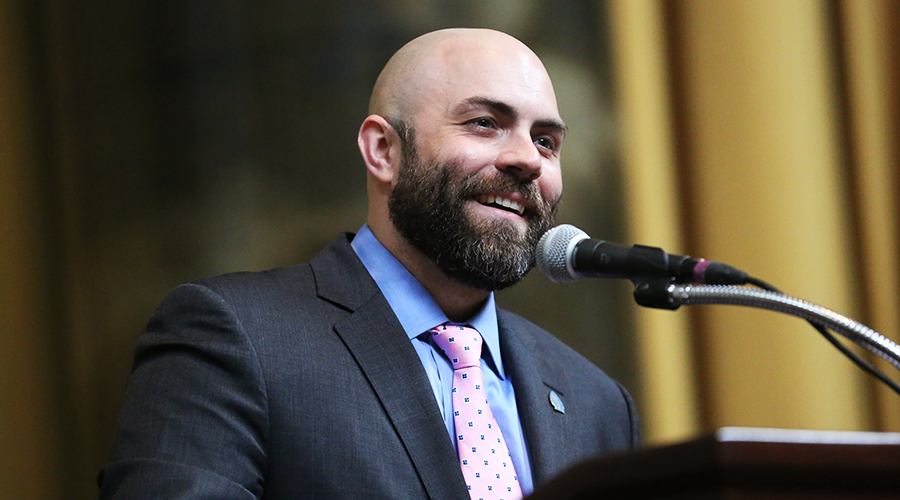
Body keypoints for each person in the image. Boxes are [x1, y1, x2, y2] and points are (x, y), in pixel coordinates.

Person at [97, 28, 639, 500]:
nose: (526, 158)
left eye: (546, 141)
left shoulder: (597, 402)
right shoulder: (234, 338)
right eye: (483, 123)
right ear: (383, 150)